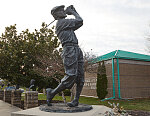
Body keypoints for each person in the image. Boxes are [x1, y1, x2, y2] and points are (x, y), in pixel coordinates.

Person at [46, 5, 84, 107]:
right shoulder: (61, 23)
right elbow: (80, 20)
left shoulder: (66, 24)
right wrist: (73, 12)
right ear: (56, 14)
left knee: (80, 77)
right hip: (69, 49)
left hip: (76, 49)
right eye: (61, 10)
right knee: (71, 75)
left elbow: (79, 23)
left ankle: (76, 100)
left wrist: (74, 11)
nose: (63, 11)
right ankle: (52, 93)